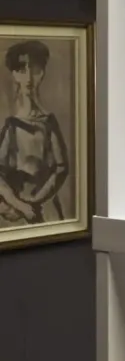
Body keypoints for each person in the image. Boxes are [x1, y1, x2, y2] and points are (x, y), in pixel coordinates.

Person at [0, 40, 69, 226]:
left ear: (43, 72)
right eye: (22, 70)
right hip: (15, 212)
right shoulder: (12, 126)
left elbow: (62, 168)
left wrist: (37, 200)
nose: (29, 77)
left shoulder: (49, 122)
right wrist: (20, 205)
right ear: (14, 74)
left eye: (36, 69)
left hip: (46, 208)